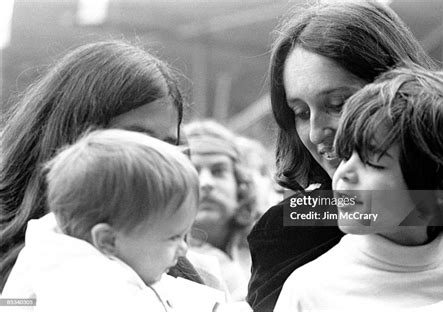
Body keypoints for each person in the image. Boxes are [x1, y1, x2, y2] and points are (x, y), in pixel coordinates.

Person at [246, 1, 437, 311]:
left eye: (337, 104)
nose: (315, 132)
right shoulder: (296, 221)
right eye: (301, 112)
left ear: (400, 91)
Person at [0, 40, 204, 291]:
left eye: (169, 145)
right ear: (74, 137)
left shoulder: (170, 263)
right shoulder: (27, 267)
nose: (159, 158)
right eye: (137, 140)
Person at [275, 65, 443, 310]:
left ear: (442, 190)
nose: (344, 172)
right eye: (346, 154)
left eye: (372, 161)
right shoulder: (310, 291)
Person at [3, 129, 199, 311]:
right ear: (107, 240)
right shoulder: (92, 289)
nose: (183, 249)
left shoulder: (53, 254)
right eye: (173, 238)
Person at [184, 120, 258, 301]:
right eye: (194, 171)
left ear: (240, 184)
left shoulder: (264, 246)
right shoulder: (168, 260)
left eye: (218, 171)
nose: (206, 183)